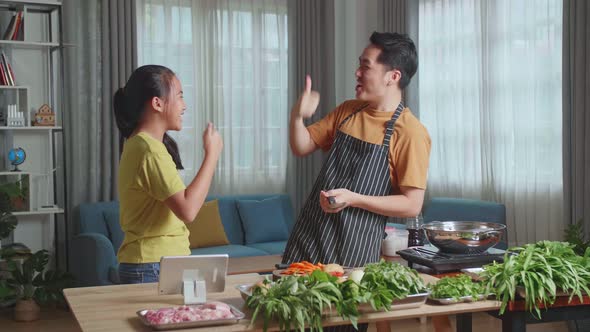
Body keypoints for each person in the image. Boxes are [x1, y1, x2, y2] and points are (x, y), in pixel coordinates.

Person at [282, 32, 431, 332]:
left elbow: (412, 204)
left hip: (352, 256)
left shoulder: (410, 132)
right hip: (307, 242)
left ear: (393, 76)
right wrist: (298, 115)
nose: (357, 72)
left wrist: (353, 198)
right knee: (288, 323)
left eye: (366, 66)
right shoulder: (349, 111)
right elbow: (301, 145)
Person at [113, 65, 223, 284]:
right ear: (157, 103)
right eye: (180, 96)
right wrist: (212, 155)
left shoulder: (140, 144)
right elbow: (188, 209)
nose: (184, 106)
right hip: (152, 265)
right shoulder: (149, 150)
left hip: (152, 263)